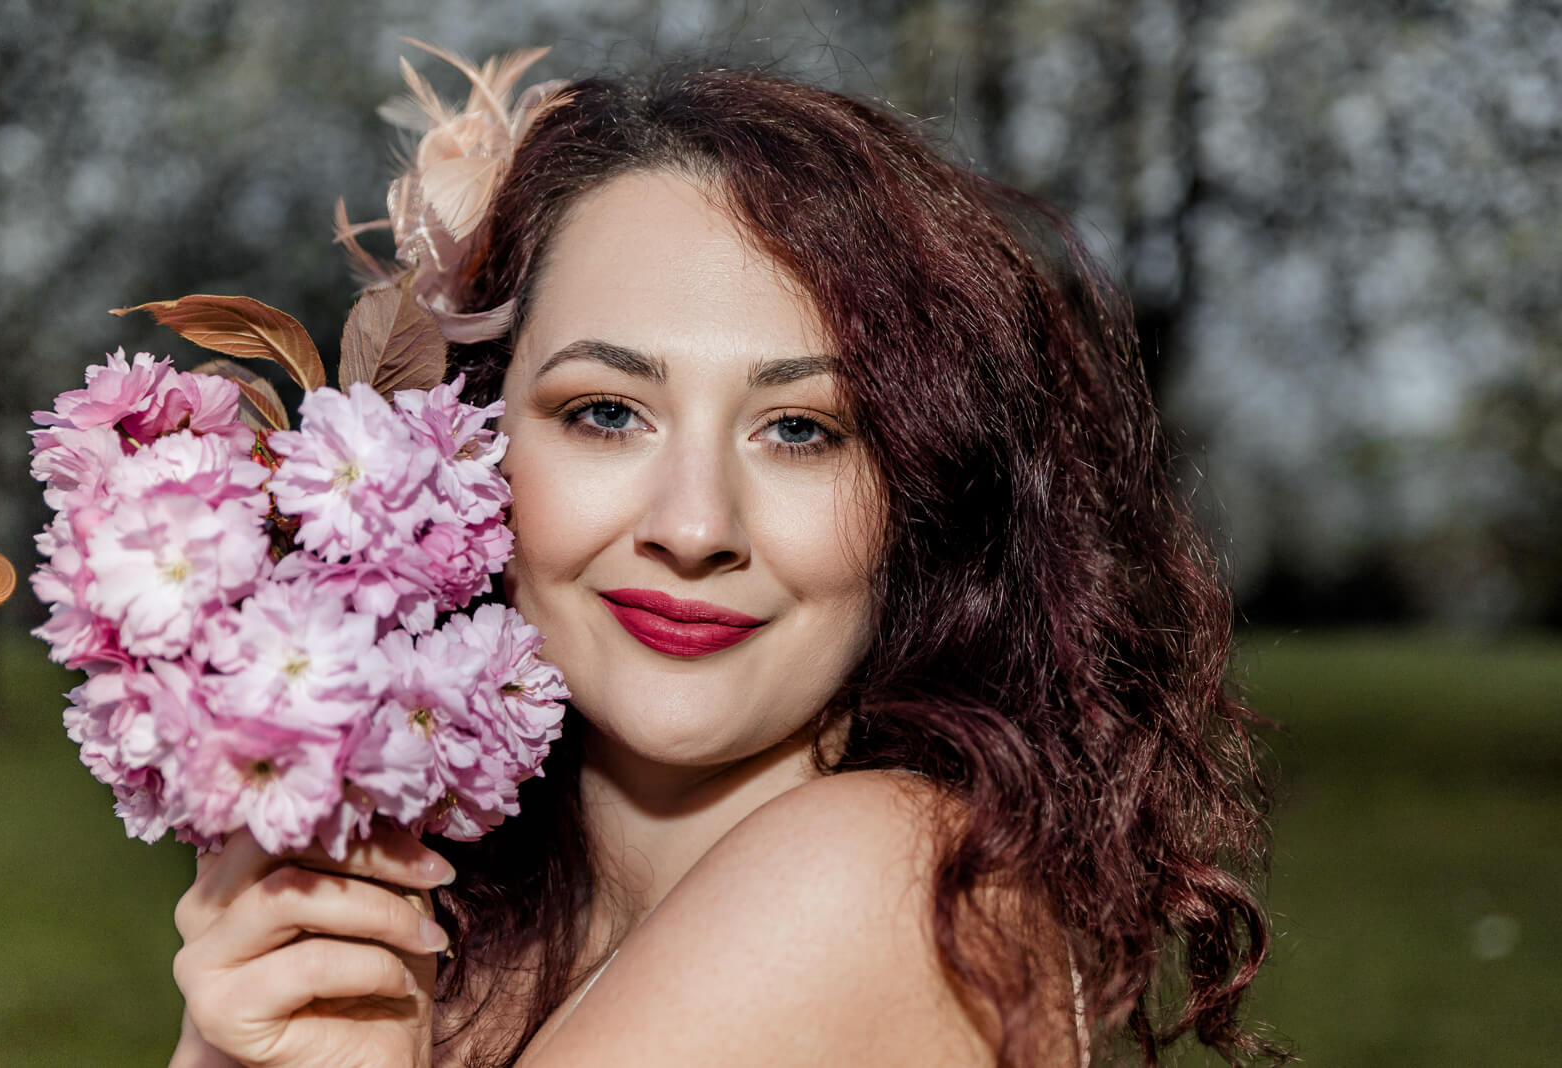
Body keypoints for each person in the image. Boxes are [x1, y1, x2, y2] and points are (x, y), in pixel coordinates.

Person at [169, 47, 1281, 1068]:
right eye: (606, 412)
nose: (695, 526)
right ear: (461, 449)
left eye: (800, 429)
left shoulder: (876, 879)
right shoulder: (471, 931)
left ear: (918, 497)